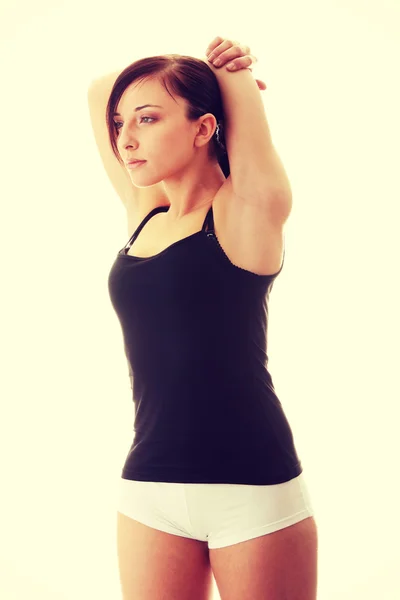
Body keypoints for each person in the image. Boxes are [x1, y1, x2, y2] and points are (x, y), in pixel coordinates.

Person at [91, 36, 318, 600]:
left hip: (253, 489)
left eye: (147, 119)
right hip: (148, 487)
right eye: (122, 124)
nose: (126, 138)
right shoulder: (146, 212)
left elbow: (246, 149)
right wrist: (200, 81)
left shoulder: (247, 213)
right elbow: (99, 90)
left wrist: (232, 79)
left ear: (204, 127)